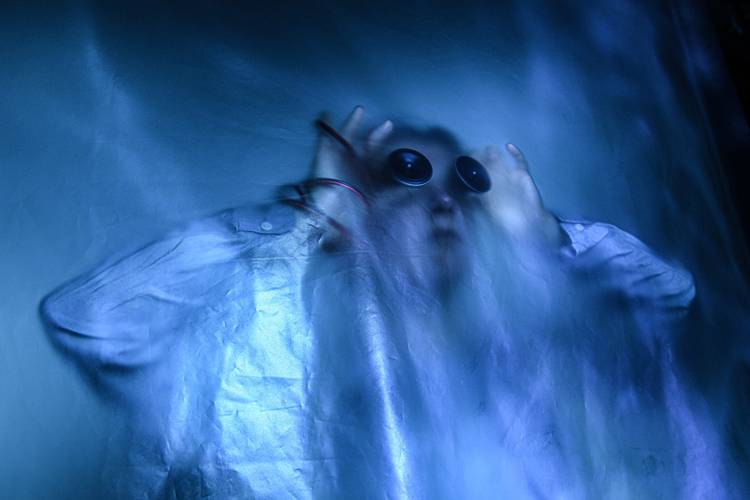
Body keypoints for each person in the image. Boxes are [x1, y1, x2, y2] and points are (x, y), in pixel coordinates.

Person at [41, 106, 695, 498]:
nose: (444, 203)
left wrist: (544, 236)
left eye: (461, 189)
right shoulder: (253, 375)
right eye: (408, 178)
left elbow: (669, 304)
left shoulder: (525, 374)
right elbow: (90, 320)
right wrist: (300, 224)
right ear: (360, 214)